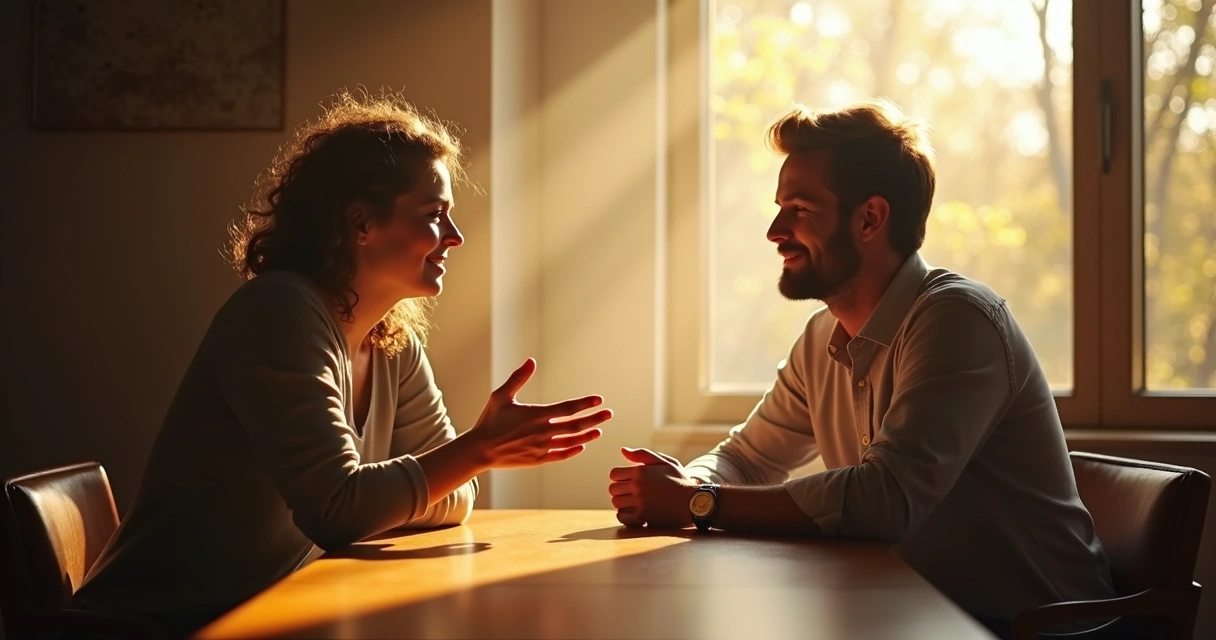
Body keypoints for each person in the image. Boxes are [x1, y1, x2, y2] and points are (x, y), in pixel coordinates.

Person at [72, 90, 613, 636]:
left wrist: (454, 464)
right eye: (434, 215)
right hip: (151, 627)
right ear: (360, 223)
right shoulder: (279, 311)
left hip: (266, 619)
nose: (455, 237)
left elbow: (456, 501)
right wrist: (476, 449)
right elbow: (337, 509)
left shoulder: (391, 341)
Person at [608, 100, 1115, 632]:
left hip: (1038, 628)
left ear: (870, 218)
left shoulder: (958, 320)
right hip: (917, 619)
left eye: (799, 209)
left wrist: (698, 503)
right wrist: (686, 482)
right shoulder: (824, 336)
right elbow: (748, 459)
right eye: (779, 207)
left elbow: (885, 500)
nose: (775, 230)